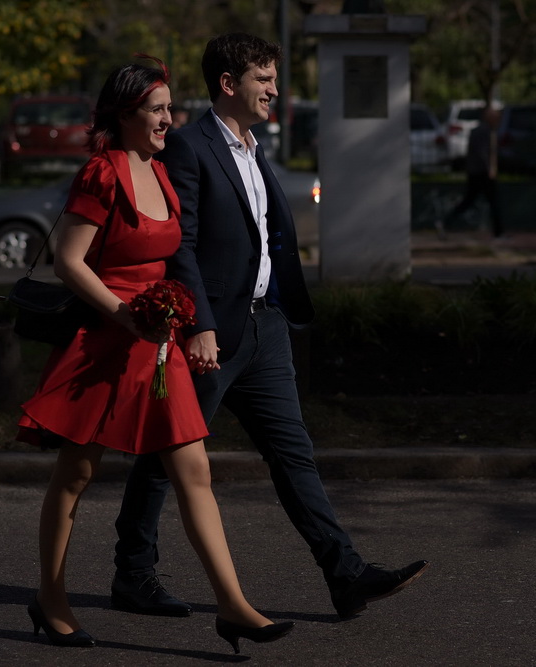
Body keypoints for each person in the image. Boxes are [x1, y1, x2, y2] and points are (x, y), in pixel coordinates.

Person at [112, 33, 429, 621]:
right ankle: (133, 572)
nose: (275, 90)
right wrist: (198, 325)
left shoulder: (254, 148)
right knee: (167, 454)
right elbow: (180, 245)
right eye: (263, 79)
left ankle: (345, 574)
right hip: (212, 335)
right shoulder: (189, 146)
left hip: (266, 329)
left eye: (273, 78)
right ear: (229, 84)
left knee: (294, 455)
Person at [16, 56, 293, 653]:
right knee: (75, 475)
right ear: (126, 114)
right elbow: (68, 260)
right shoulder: (102, 172)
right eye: (158, 109)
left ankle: (233, 605)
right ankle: (51, 597)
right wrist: (124, 315)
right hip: (106, 345)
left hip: (158, 346)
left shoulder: (159, 169)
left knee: (195, 471)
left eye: (171, 107)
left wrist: (188, 327)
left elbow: (172, 258)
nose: (171, 118)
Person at [438, 107, 503, 240]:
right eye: (496, 117)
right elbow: (483, 153)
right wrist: (489, 169)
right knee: (491, 202)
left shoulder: (484, 131)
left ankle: (445, 223)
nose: (498, 120)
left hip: (477, 172)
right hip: (481, 173)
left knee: (470, 201)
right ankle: (498, 233)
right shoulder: (483, 131)